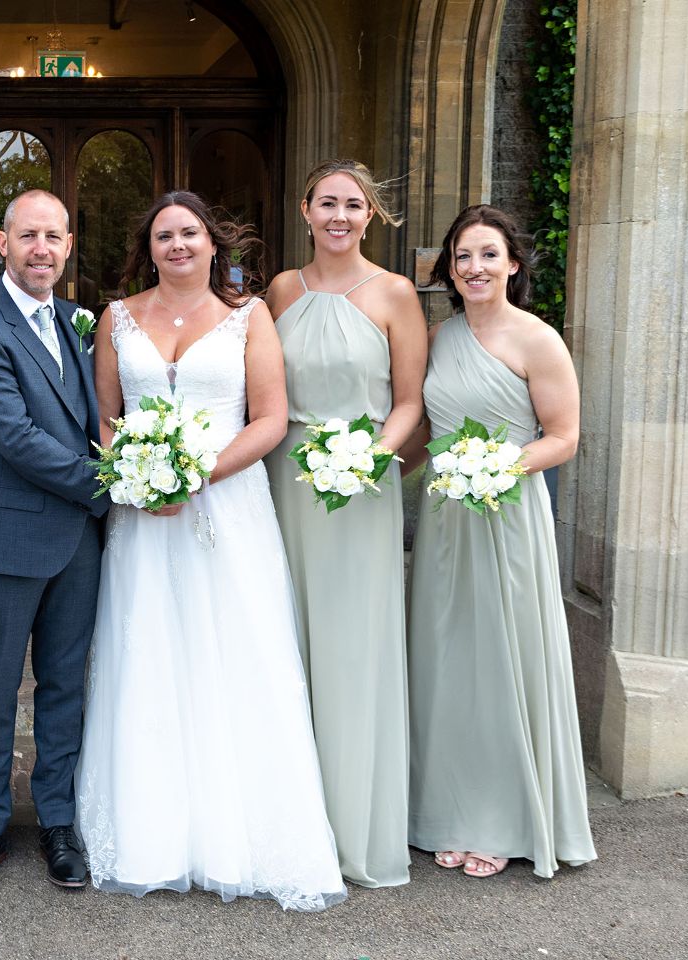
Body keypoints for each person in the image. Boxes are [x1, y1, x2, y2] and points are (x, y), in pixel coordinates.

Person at [76, 191, 347, 911]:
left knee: (235, 654)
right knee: (150, 657)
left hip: (226, 511)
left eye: (189, 233)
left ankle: (243, 836)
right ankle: (153, 834)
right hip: (142, 518)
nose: (177, 246)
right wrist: (134, 475)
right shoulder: (118, 318)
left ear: (212, 241)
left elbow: (271, 419)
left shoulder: (249, 316)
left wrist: (197, 474)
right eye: (163, 236)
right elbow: (107, 419)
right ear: (148, 247)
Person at [403, 204, 597, 879]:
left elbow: (563, 437)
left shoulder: (538, 340)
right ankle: (444, 813)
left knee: (500, 665)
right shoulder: (438, 335)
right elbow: (426, 431)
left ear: (513, 263)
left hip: (508, 518)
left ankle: (499, 819)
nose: (474, 267)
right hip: (445, 525)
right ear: (449, 270)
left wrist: (495, 467)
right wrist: (362, 470)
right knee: (445, 663)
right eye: (462, 256)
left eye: (488, 254)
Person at [263, 160, 426, 888]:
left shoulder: (394, 294)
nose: (338, 215)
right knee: (287, 637)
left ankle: (356, 825)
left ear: (371, 216)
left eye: (352, 205)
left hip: (359, 486)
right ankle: (288, 821)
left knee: (354, 646)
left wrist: (366, 459)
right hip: (286, 480)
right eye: (326, 202)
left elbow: (410, 402)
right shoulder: (280, 291)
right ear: (304, 210)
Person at [0, 189, 109, 894]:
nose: (41, 247)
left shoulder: (81, 322)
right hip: (10, 534)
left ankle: (57, 821)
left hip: (78, 540)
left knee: (67, 684)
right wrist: (110, 484)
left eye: (54, 235)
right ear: (2, 245)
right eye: (28, 235)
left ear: (69, 246)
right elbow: (13, 437)